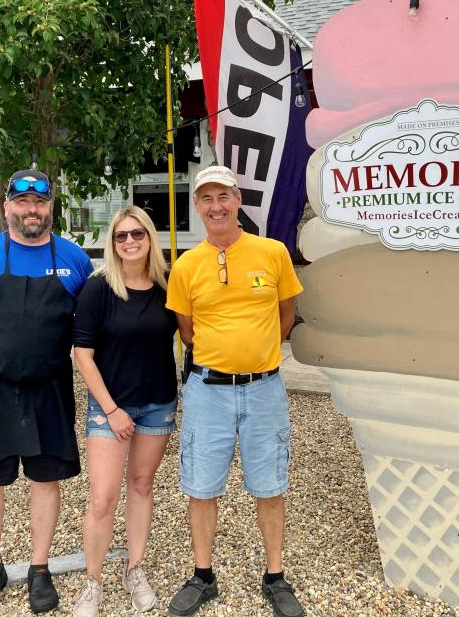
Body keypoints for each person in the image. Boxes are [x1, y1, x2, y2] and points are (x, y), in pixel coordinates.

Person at [0, 169, 93, 615]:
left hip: (50, 386)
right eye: (22, 203)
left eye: (40, 203)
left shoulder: (74, 259)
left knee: (45, 478)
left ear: (50, 208)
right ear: (8, 207)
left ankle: (40, 567)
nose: (31, 211)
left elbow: (87, 322)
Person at [165, 165, 304, 617]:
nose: (216, 206)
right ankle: (203, 576)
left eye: (223, 196)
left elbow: (286, 315)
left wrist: (255, 353)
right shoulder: (186, 265)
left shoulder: (273, 252)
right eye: (206, 198)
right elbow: (187, 331)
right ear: (197, 207)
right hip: (208, 391)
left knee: (270, 486)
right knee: (201, 487)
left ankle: (275, 576)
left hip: (264, 388)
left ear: (237, 199)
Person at [70, 206, 178, 617]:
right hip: (109, 406)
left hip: (158, 403)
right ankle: (93, 581)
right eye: (121, 236)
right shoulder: (99, 288)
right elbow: (83, 354)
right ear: (112, 244)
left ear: (150, 238)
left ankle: (135, 568)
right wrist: (112, 409)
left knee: (142, 486)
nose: (129, 242)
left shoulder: (168, 285)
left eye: (137, 234)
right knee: (102, 498)